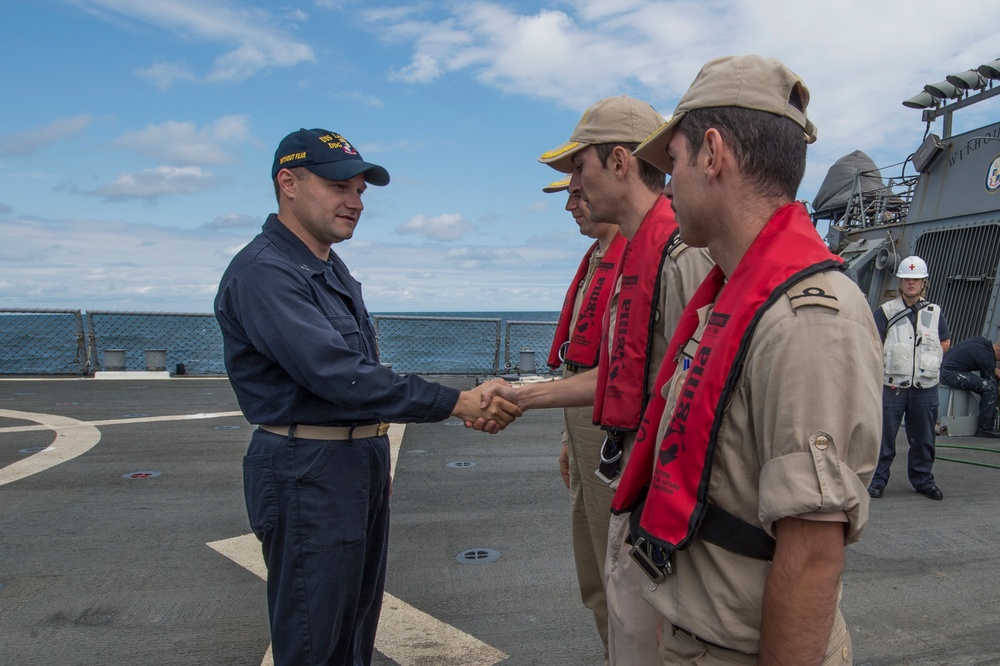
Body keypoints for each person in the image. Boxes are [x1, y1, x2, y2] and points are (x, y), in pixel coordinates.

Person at [214, 128, 521, 666]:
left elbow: (358, 376)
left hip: (347, 462)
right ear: (288, 182)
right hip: (307, 468)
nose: (354, 203)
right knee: (315, 636)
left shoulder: (326, 267)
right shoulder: (266, 272)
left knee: (354, 627)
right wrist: (459, 402)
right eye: (339, 187)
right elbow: (338, 375)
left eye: (359, 191)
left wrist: (369, 447)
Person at [612, 55, 883, 664]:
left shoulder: (808, 320)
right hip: (695, 633)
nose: (669, 184)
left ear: (712, 154)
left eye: (673, 162)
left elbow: (812, 554)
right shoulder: (734, 296)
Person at [481, 95, 714, 665]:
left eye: (578, 169)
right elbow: (621, 372)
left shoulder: (680, 257)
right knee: (618, 602)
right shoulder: (639, 254)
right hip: (629, 458)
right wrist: (524, 396)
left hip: (660, 484)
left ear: (618, 162)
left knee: (650, 623)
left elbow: (704, 387)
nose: (574, 190)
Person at [543, 172, 626, 657]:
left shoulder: (642, 257)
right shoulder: (599, 258)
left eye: (577, 192)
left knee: (615, 567)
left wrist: (523, 399)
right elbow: (583, 353)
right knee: (593, 570)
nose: (570, 205)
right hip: (582, 420)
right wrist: (566, 437)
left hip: (609, 426)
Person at [869, 255, 951, 500]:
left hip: (925, 387)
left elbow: (945, 341)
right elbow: (873, 343)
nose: (911, 283)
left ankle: (923, 481)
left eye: (916, 279)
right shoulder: (885, 311)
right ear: (900, 283)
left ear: (923, 283)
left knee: (924, 439)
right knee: (884, 438)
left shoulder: (934, 312)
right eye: (907, 279)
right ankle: (877, 481)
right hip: (892, 385)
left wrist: (926, 359)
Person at [940, 335, 1000, 438]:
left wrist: (994, 370)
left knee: (989, 387)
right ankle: (985, 428)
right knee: (990, 389)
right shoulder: (986, 357)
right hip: (951, 374)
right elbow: (991, 382)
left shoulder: (980, 342)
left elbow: (987, 365)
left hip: (943, 369)